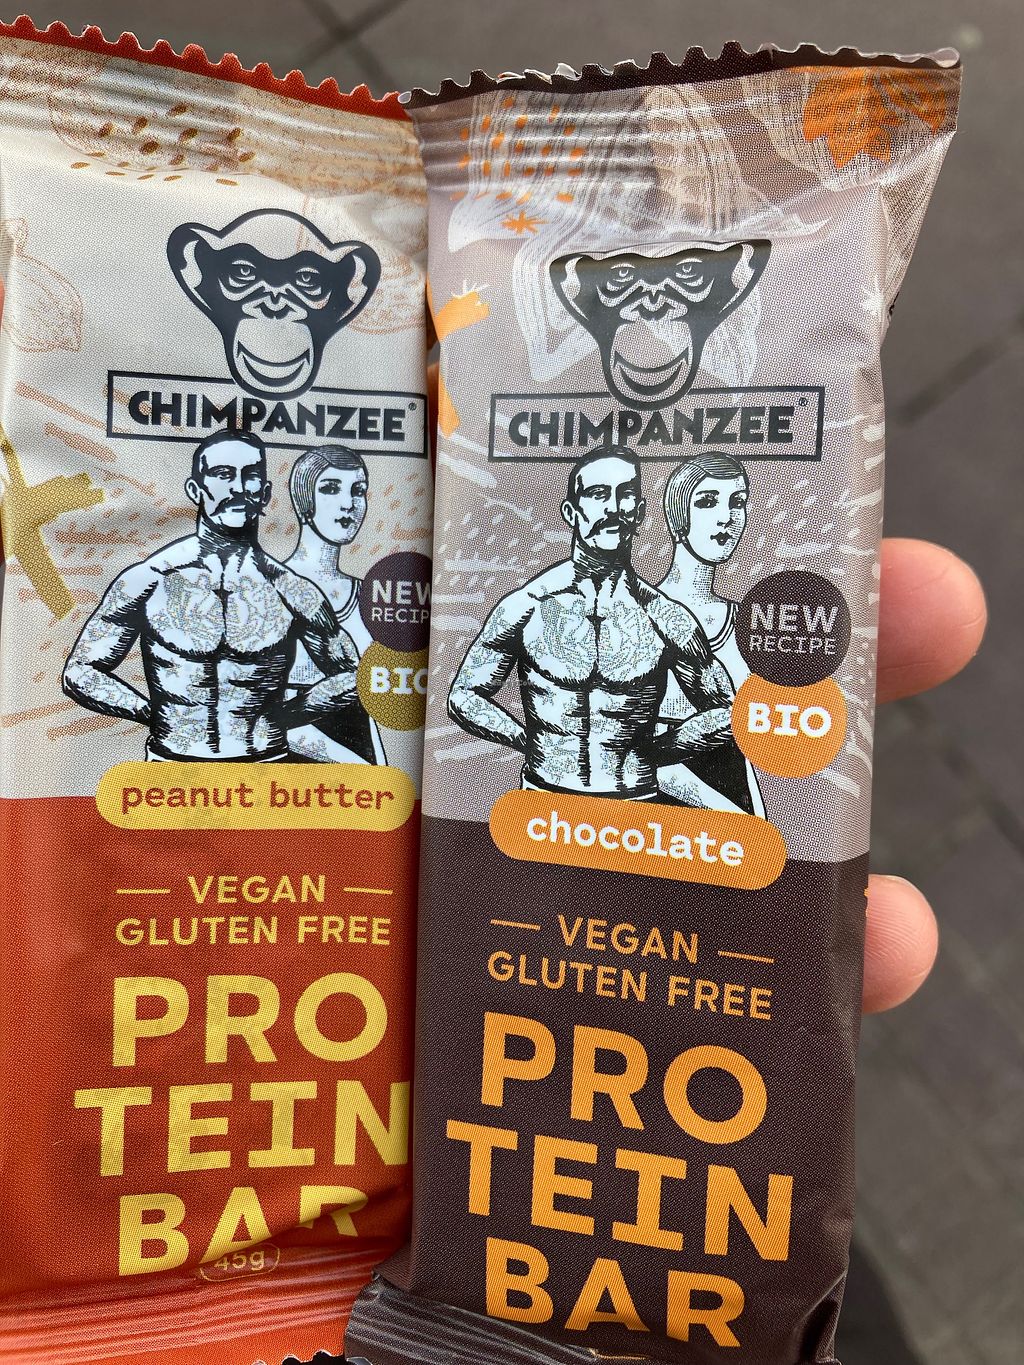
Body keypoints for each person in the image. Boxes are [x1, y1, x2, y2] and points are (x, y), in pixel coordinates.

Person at [448, 443, 749, 804]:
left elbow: (729, 713)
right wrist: (529, 742)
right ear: (571, 512)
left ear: (639, 512)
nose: (613, 508)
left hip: (635, 804)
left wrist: (656, 752)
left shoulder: (665, 617)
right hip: (544, 803)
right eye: (598, 494)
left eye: (625, 495)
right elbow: (463, 697)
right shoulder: (526, 606)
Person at [62, 430, 363, 761]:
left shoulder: (291, 590)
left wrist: (286, 716)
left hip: (266, 768)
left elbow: (353, 677)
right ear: (195, 490)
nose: (238, 488)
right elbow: (80, 673)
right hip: (171, 768)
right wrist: (151, 713)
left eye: (250, 476)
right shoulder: (148, 579)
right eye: (223, 474)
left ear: (264, 494)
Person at [657, 450, 764, 814]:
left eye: (737, 502)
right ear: (677, 515)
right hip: (653, 817)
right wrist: (733, 818)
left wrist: (759, 824)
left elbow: (738, 756)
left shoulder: (744, 624)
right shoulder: (636, 615)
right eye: (706, 502)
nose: (726, 517)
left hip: (732, 812)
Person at [285, 444, 385, 764]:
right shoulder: (271, 590)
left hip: (361, 774)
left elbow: (365, 715)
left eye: (358, 490)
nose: (348, 504)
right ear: (303, 499)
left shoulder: (367, 596)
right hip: (289, 773)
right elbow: (262, 718)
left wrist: (382, 773)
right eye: (330, 488)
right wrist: (359, 768)